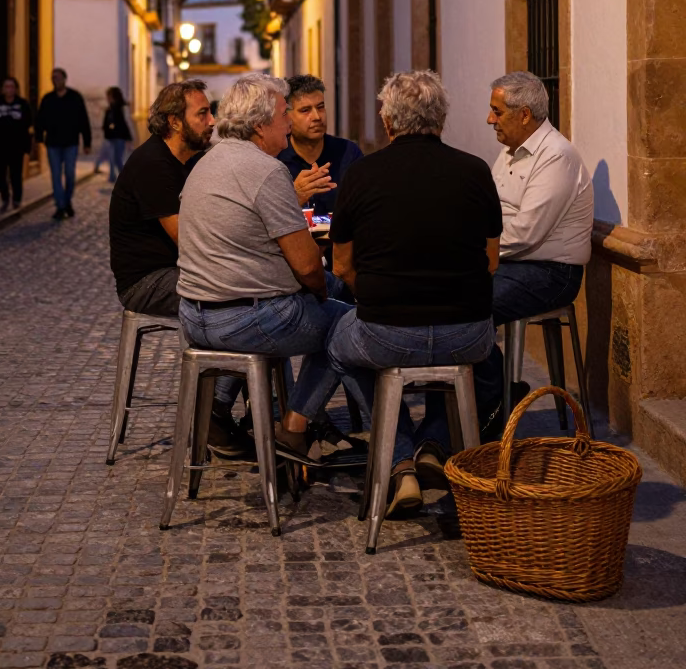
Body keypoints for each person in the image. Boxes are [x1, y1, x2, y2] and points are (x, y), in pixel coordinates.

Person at [326, 70, 503, 518]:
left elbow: (342, 266)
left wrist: (379, 298)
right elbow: (491, 260)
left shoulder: (362, 174)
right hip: (467, 333)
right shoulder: (475, 170)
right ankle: (434, 444)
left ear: (388, 123)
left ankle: (400, 457)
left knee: (338, 344)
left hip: (388, 332)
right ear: (440, 119)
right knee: (481, 365)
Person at [177, 74, 370, 465]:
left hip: (195, 315)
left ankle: (218, 408)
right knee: (349, 322)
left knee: (313, 302)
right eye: (286, 114)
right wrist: (321, 292)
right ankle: (295, 428)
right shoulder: (266, 171)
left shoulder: (206, 162)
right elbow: (306, 266)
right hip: (244, 317)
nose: (288, 123)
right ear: (262, 124)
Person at [109, 79, 245, 459]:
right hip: (148, 280)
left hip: (182, 270)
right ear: (174, 121)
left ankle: (233, 414)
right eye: (202, 113)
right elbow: (189, 238)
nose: (212, 120)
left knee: (254, 299)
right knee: (237, 303)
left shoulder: (190, 161)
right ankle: (212, 416)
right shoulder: (153, 165)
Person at [487, 70, 594, 329]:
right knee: (444, 292)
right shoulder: (508, 151)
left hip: (550, 274)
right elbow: (488, 208)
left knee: (472, 305)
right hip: (508, 262)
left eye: (497, 112)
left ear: (524, 115)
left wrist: (476, 251)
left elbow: (526, 233)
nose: (490, 120)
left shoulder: (556, 156)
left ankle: (488, 371)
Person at [278, 74, 362, 212]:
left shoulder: (348, 153)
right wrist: (294, 197)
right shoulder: (276, 159)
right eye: (305, 110)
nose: (317, 117)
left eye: (320, 107)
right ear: (287, 116)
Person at [35, 68, 91, 220]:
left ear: (65, 79)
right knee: (55, 175)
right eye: (53, 78)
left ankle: (67, 201)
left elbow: (83, 120)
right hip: (53, 143)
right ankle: (60, 206)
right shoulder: (47, 99)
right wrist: (39, 136)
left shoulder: (75, 97)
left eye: (58, 78)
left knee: (70, 174)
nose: (55, 80)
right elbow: (40, 119)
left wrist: (87, 142)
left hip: (71, 142)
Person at [0, 77, 33, 213]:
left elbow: (28, 122)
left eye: (12, 87)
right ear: (3, 89)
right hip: (0, 145)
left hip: (17, 146)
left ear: (16, 89)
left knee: (15, 174)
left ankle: (17, 199)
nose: (9, 89)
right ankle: (5, 198)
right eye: (6, 86)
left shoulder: (22, 104)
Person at [95, 87, 132, 182]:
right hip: (111, 137)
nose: (107, 98)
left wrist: (128, 137)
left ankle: (125, 177)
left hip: (119, 137)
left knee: (117, 159)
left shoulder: (120, 108)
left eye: (109, 96)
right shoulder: (110, 108)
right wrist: (106, 128)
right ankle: (112, 176)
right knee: (111, 157)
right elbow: (107, 122)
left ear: (113, 97)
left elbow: (124, 123)